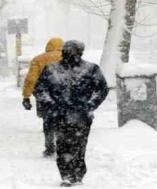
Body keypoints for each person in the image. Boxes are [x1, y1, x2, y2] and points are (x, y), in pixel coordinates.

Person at [33, 40, 109, 187]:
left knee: (79, 146)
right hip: (59, 115)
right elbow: (40, 89)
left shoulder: (90, 69)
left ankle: (78, 174)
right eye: (66, 50)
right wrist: (51, 104)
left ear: (80, 53)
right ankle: (66, 175)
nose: (69, 53)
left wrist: (90, 105)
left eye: (72, 51)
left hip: (81, 116)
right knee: (62, 145)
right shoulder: (51, 69)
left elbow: (102, 89)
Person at [22, 37, 64, 157]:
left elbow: (31, 79)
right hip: (65, 94)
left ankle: (50, 146)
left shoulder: (39, 59)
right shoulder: (70, 58)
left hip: (44, 94)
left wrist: (26, 96)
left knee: (48, 120)